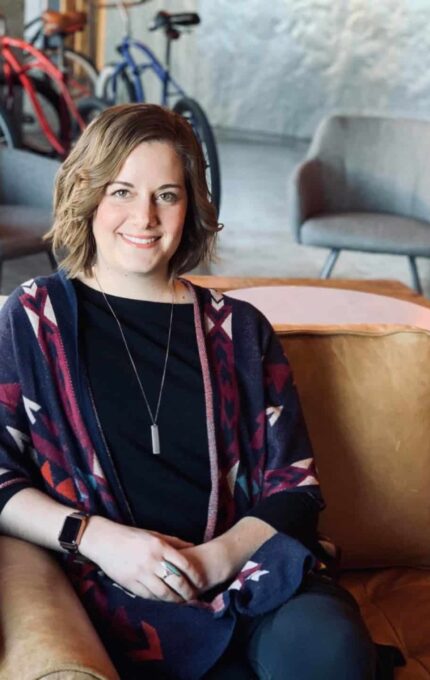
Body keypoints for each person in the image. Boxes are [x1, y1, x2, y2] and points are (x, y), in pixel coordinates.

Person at [0, 103, 377, 679]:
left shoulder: (240, 329)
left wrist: (213, 560)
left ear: (191, 206)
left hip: (252, 577)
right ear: (88, 192)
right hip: (115, 592)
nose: (144, 217)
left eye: (167, 195)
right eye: (122, 191)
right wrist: (96, 539)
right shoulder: (32, 320)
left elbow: (295, 488)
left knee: (330, 652)